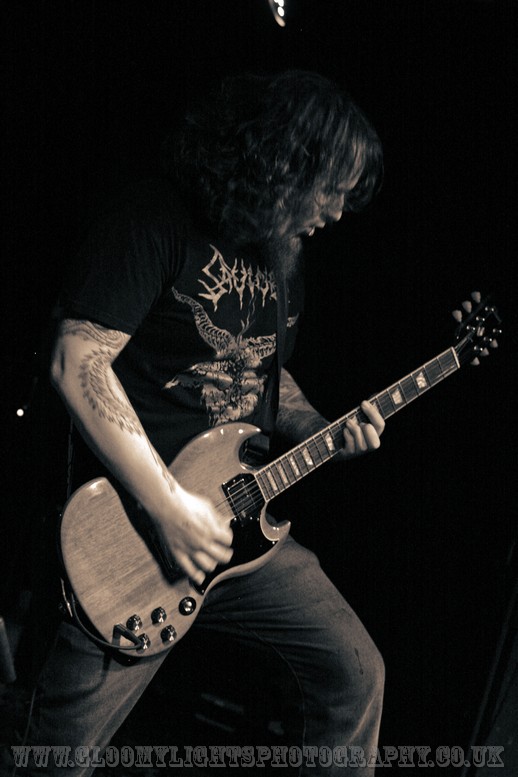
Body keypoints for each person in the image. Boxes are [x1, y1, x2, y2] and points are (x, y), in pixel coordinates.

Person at [18, 70, 386, 775]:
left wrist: (326, 431)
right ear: (284, 162)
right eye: (330, 189)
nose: (338, 212)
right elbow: (75, 357)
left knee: (355, 674)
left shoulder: (283, 259)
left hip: (239, 531)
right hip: (133, 534)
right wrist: (168, 509)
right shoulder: (155, 219)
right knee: (55, 756)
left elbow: (265, 376)